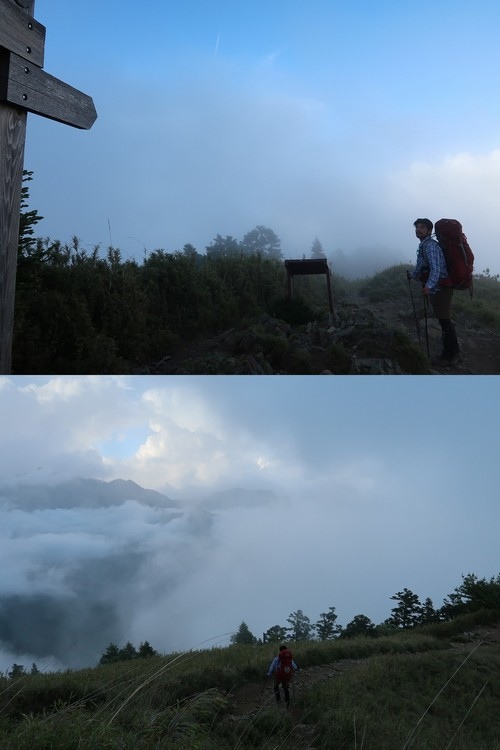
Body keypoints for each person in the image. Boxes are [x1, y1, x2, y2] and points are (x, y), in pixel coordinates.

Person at [408, 218, 460, 365]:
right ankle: (451, 353)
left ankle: (451, 356)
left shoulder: (430, 246)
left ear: (429, 231)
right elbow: (421, 266)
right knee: (443, 320)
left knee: (445, 321)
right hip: (438, 288)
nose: (418, 229)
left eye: (422, 227)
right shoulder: (423, 246)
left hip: (442, 288)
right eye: (417, 227)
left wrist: (428, 286)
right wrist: (413, 276)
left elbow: (436, 270)